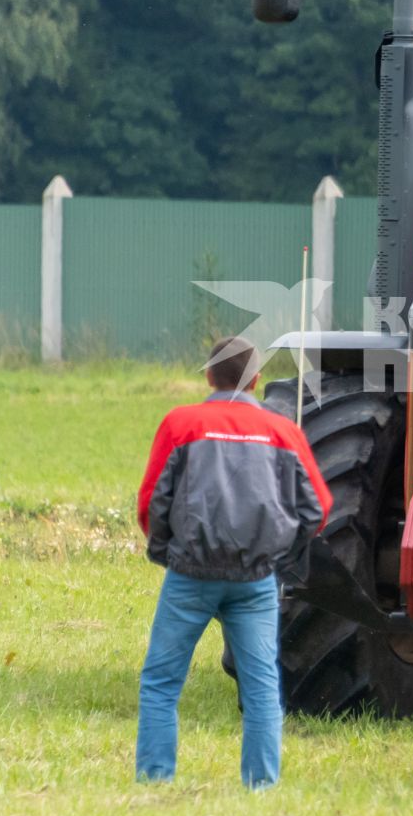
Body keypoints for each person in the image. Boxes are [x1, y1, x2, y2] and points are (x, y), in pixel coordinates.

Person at [133, 337, 329, 789]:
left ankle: (155, 780)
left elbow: (151, 501)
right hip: (256, 578)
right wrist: (283, 558)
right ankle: (260, 785)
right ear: (257, 379)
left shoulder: (181, 423)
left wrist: (167, 552)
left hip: (189, 575)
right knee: (261, 687)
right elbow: (316, 506)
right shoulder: (283, 431)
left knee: (161, 682)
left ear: (208, 375)